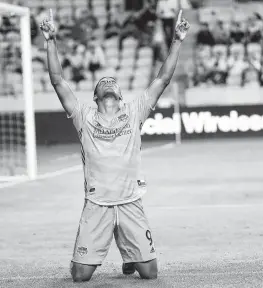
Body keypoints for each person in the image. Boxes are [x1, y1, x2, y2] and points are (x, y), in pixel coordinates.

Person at [39, 9, 190, 282]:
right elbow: (58, 81)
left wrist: (177, 40)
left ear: (120, 96)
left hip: (130, 201)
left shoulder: (134, 112)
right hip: (97, 204)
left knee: (150, 273)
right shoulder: (83, 116)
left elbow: (162, 80)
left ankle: (128, 250)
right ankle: (109, 245)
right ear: (96, 96)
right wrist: (51, 41)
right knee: (80, 276)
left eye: (113, 82)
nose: (109, 82)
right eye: (103, 82)